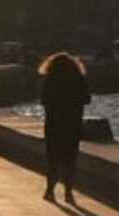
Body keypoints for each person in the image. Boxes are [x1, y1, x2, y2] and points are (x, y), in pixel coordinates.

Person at [39, 52, 91, 203]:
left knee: (52, 159)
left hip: (53, 125)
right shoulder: (78, 78)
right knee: (70, 159)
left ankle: (50, 191)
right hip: (72, 125)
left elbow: (43, 100)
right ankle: (68, 192)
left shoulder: (50, 78)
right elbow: (87, 99)